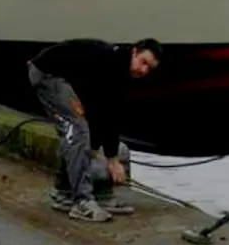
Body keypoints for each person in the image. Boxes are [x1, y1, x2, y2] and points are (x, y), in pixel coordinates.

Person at [27, 37, 162, 222]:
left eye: (150, 68)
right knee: (77, 130)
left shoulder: (121, 70)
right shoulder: (111, 62)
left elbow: (108, 113)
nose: (143, 70)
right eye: (143, 62)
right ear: (135, 52)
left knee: (84, 132)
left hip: (68, 79)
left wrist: (106, 151)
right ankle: (81, 202)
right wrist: (112, 160)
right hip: (49, 75)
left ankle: (70, 193)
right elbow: (102, 111)